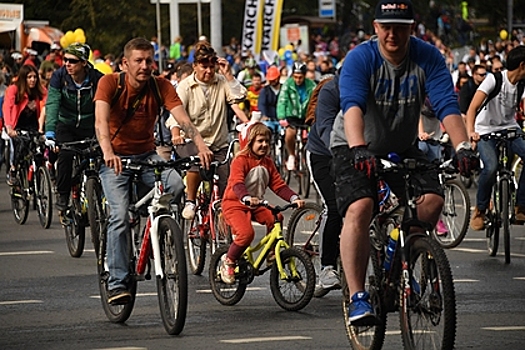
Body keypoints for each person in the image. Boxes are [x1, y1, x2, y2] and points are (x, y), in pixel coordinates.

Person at [330, 0, 476, 326]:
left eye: (400, 26)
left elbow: (446, 105)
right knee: (360, 207)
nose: (393, 33)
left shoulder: (427, 57)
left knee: (431, 201)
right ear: (375, 27)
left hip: (402, 146)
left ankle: (407, 258)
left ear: (413, 27)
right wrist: (359, 148)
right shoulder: (360, 58)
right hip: (353, 144)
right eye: (386, 26)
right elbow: (352, 105)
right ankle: (357, 297)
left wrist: (463, 146)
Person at [94, 37, 213, 305]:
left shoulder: (160, 86)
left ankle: (155, 226)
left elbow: (183, 120)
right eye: (138, 60)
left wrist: (201, 146)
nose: (145, 66)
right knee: (120, 216)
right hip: (115, 159)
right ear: (125, 63)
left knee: (176, 185)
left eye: (149, 60)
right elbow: (100, 122)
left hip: (147, 155)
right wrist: (108, 152)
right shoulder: (110, 83)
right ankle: (117, 282)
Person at [166, 40, 248, 221]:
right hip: (191, 142)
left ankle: (224, 224)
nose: (209, 71)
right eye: (204, 66)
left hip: (219, 143)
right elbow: (176, 113)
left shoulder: (221, 82)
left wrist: (229, 75)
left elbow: (240, 96)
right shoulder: (186, 85)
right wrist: (175, 133)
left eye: (212, 67)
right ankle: (190, 200)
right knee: (197, 162)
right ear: (195, 66)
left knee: (228, 178)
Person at [220, 122, 305, 283]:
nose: (264, 144)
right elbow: (237, 183)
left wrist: (294, 198)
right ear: (250, 142)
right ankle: (229, 261)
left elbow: (279, 186)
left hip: (256, 204)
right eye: (260, 141)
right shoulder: (240, 161)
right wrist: (245, 197)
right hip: (235, 204)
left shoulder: (268, 162)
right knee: (246, 234)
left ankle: (272, 253)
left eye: (267, 141)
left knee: (276, 218)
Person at [467, 45, 525, 230]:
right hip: (485, 131)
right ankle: (480, 211)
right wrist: (471, 132)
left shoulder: (522, 84)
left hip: (510, 129)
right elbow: (471, 109)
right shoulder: (494, 80)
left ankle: (520, 206)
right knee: (491, 167)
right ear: (522, 65)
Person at [44, 43, 104, 221]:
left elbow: (109, 105)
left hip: (91, 125)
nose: (67, 64)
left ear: (84, 63)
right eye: (65, 60)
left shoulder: (98, 79)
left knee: (102, 156)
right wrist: (50, 132)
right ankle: (63, 196)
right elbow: (53, 103)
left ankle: (99, 194)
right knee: (66, 155)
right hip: (66, 125)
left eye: (72, 61)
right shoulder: (59, 76)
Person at [305, 73, 342, 292]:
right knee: (334, 207)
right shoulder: (328, 98)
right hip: (322, 155)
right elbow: (327, 131)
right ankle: (327, 267)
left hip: (348, 154)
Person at [3, 64, 47, 185]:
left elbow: (49, 101)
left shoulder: (39, 90)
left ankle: (39, 178)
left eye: (34, 77)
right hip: (17, 125)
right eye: (29, 77)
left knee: (39, 150)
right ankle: (13, 170)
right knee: (21, 147)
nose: (33, 80)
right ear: (23, 78)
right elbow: (7, 107)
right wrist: (9, 127)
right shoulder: (14, 89)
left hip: (34, 125)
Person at [277, 61, 316, 171]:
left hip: (305, 116)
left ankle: (307, 157)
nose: (298, 80)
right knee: (290, 133)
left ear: (304, 76)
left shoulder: (311, 85)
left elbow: (315, 101)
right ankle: (291, 155)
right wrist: (281, 116)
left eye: (300, 77)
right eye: (295, 77)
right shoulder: (288, 84)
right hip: (292, 115)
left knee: (311, 136)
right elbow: (282, 100)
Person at [257, 65, 281, 134]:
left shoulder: (284, 89)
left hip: (281, 120)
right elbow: (261, 104)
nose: (272, 81)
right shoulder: (265, 90)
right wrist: (264, 115)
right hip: (269, 119)